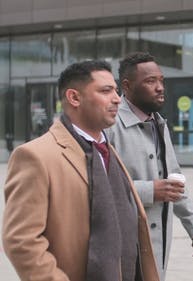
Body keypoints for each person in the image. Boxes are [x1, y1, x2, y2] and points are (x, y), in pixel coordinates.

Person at [2, 60, 158, 281]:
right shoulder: (35, 156)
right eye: (106, 91)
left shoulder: (107, 149)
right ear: (74, 98)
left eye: (116, 90)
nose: (117, 98)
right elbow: (21, 240)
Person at [105, 52, 193, 281]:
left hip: (157, 243)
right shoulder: (109, 126)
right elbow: (96, 184)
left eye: (161, 81)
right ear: (127, 86)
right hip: (124, 244)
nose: (160, 87)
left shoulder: (159, 123)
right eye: (150, 81)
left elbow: (175, 180)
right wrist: (149, 190)